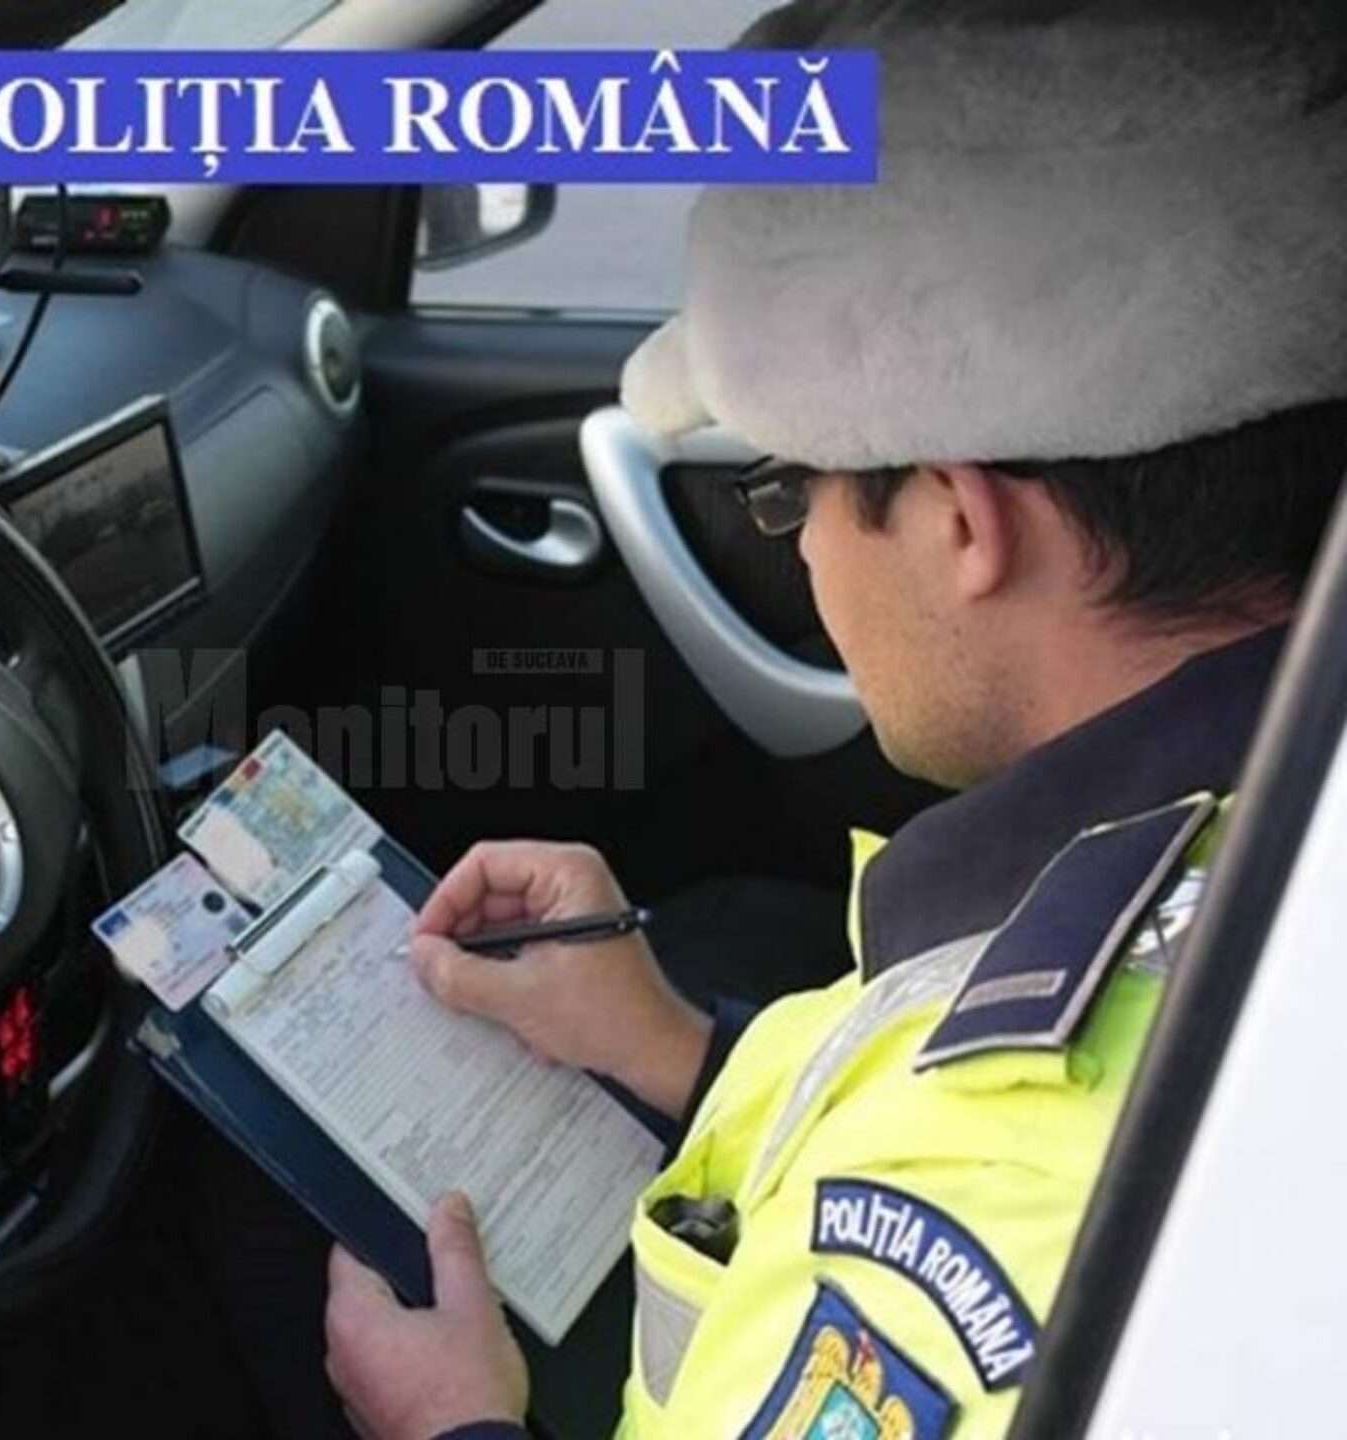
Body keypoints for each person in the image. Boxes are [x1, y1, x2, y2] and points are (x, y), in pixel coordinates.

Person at [322, 0, 1347, 1436]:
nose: (799, 546)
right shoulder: (1262, 836)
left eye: (791, 488)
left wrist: (455, 1427)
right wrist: (678, 1049)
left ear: (963, 520)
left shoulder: (957, 1231)